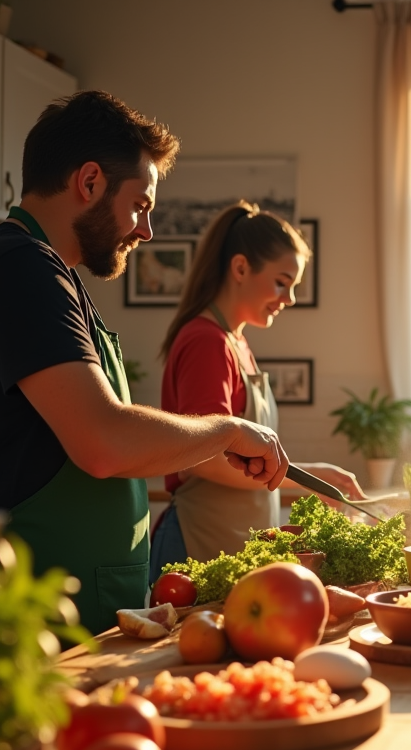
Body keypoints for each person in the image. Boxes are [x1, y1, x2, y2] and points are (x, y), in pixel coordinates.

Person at [0, 92, 289, 635]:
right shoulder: (20, 270)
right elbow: (104, 442)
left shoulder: (53, 275)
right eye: (141, 206)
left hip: (78, 600)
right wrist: (228, 430)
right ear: (91, 181)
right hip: (42, 611)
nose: (145, 230)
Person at [151, 202, 366, 576]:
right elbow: (202, 457)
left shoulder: (235, 342)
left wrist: (310, 476)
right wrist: (303, 478)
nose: (290, 299)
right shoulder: (207, 342)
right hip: (200, 542)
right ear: (240, 268)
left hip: (229, 542)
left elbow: (246, 455)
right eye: (282, 282)